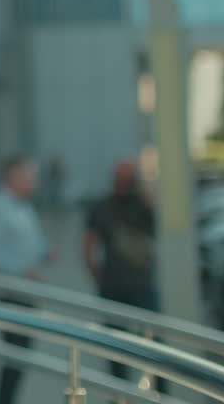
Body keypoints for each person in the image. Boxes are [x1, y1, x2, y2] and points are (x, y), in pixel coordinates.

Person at [0, 154, 48, 404]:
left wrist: (43, 254)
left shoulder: (23, 205)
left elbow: (31, 244)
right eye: (28, 176)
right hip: (9, 292)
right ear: (13, 176)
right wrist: (21, 269)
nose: (32, 181)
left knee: (21, 357)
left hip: (27, 291)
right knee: (14, 357)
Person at [84, 157, 158, 382]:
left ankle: (157, 391)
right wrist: (97, 276)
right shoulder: (102, 206)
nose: (125, 180)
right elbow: (87, 244)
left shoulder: (142, 202)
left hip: (143, 285)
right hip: (114, 287)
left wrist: (144, 183)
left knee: (154, 345)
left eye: (129, 175)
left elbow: (157, 219)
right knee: (116, 349)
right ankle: (119, 395)